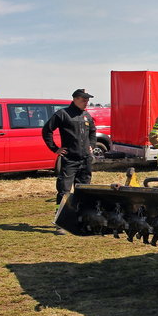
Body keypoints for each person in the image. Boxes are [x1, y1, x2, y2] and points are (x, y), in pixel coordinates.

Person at [42, 89, 97, 233]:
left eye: (87, 100)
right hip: (70, 159)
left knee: (84, 190)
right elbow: (47, 130)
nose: (86, 103)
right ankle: (61, 222)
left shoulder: (86, 115)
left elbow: (93, 132)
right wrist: (55, 148)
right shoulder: (62, 114)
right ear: (75, 99)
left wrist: (91, 145)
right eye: (84, 100)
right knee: (64, 191)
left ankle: (82, 219)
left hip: (85, 160)